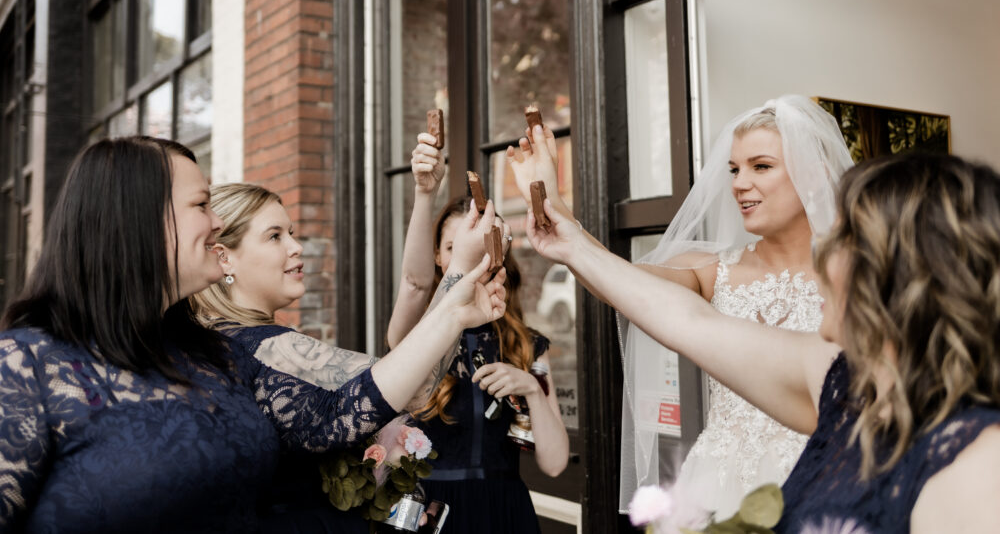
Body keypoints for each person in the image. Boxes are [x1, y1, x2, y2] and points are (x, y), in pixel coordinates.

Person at [0, 136, 506, 532]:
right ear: (136, 220)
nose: (213, 224)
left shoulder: (217, 357)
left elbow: (344, 411)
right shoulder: (23, 366)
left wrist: (457, 309)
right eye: (201, 205)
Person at [525, 152, 1000, 532]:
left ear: (899, 272)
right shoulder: (839, 380)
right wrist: (573, 244)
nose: (825, 253)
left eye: (845, 237)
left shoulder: (980, 468)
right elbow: (686, 320)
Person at [506, 96, 854, 514]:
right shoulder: (710, 270)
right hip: (718, 487)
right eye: (734, 170)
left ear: (814, 175)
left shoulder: (861, 274)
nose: (740, 183)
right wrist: (555, 206)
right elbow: (620, 284)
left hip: (824, 479)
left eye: (761, 166)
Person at [189, 182, 491, 532]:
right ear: (225, 256)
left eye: (291, 232)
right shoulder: (265, 347)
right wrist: (459, 271)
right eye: (275, 237)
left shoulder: (213, 340)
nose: (296, 246)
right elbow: (416, 386)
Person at [385, 133, 569, 534]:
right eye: (453, 248)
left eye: (481, 247)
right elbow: (414, 284)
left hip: (504, 514)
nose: (469, 259)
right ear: (437, 256)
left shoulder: (525, 343)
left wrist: (533, 389)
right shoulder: (419, 332)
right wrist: (423, 192)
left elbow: (554, 464)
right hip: (432, 513)